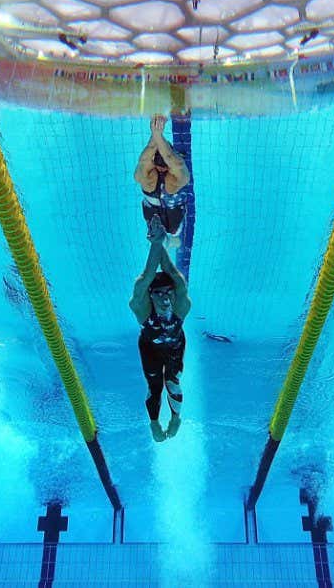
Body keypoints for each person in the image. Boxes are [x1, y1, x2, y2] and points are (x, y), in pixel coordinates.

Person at [129, 220, 191, 442]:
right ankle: (154, 423)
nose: (165, 298)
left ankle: (175, 419)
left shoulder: (181, 305)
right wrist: (156, 243)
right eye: (159, 293)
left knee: (173, 380)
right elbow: (146, 278)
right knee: (155, 386)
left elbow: (175, 277)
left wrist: (159, 242)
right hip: (150, 348)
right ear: (149, 295)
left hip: (175, 344)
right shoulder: (142, 308)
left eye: (168, 293)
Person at [135, 114, 191, 247]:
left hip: (167, 215)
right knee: (158, 181)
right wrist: (156, 135)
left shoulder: (178, 175)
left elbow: (168, 158)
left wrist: (156, 135)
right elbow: (168, 159)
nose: (161, 168)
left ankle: (172, 239)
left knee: (174, 235)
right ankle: (170, 239)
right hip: (159, 211)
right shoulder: (149, 175)